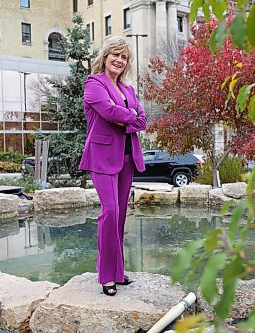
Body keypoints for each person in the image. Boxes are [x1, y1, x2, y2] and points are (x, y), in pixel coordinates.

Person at [79, 36, 147, 296]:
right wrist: (130, 117)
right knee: (109, 212)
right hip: (103, 157)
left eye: (124, 57)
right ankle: (106, 276)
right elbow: (109, 113)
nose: (119, 60)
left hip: (128, 158)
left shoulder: (128, 90)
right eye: (115, 55)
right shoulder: (94, 83)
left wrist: (127, 119)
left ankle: (118, 272)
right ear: (105, 57)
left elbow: (142, 121)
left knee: (119, 217)